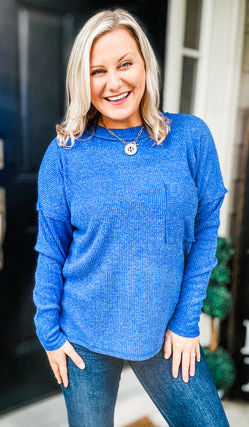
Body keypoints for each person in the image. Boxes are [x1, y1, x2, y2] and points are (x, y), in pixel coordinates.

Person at [33, 8, 230, 427]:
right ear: (82, 81)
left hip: (165, 330)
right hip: (82, 333)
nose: (114, 82)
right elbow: (51, 250)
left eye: (125, 64)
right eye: (97, 70)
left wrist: (186, 320)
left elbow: (206, 229)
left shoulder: (190, 138)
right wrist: (49, 331)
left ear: (145, 65)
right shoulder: (65, 154)